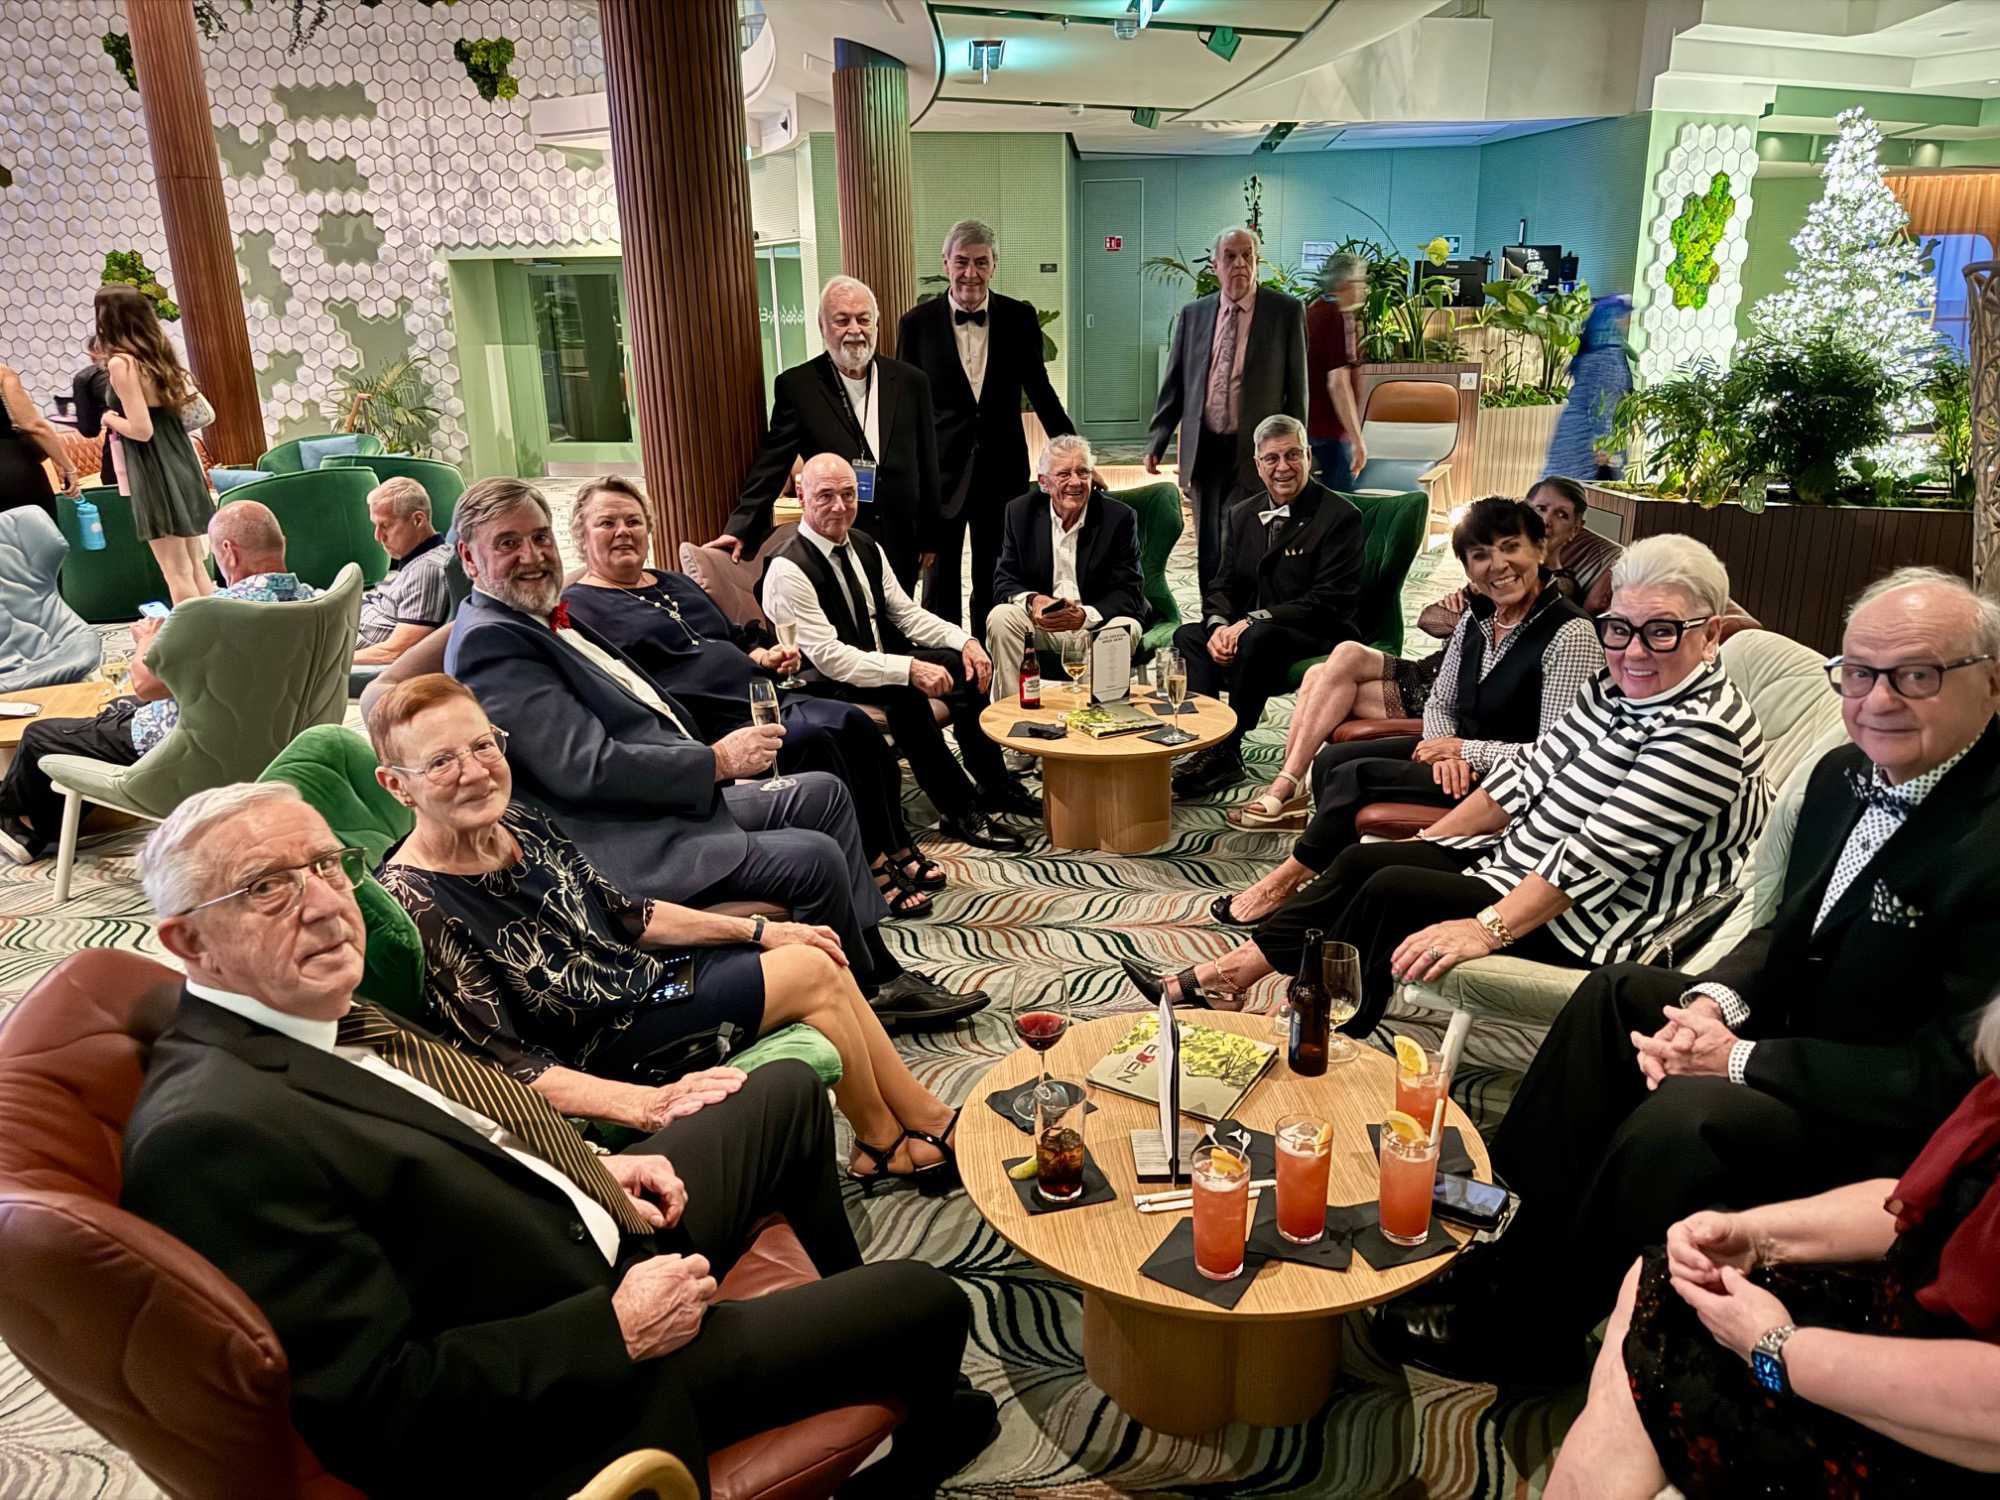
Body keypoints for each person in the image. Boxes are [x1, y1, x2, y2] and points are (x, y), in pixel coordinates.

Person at [119, 782, 997, 1500]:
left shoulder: (313, 1011)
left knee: (786, 1093)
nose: (324, 905)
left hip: (575, 1221)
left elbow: (458, 1129)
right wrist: (615, 1330)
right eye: (266, 887)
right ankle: (927, 1427)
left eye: (326, 864)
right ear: (187, 939)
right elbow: (378, 1404)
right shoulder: (212, 1136)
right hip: (580, 1358)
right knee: (924, 1297)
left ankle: (839, 1321)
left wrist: (595, 1163)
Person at [1379, 567, 2000, 1384]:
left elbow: (1951, 1078)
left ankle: (1530, 1327)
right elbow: (1786, 931)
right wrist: (1710, 1004)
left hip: (1888, 1116)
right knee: (1621, 994)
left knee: (1686, 1116)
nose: (1878, 699)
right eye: (1857, 673)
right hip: (1799, 1033)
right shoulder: (1842, 775)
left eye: (1916, 675)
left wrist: (1735, 1059)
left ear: (1991, 681)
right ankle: (1501, 1234)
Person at [1123, 536, 1767, 1034]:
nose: (1633, 651)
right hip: (1515, 864)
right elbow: (1524, 777)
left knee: (1393, 890)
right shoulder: (1615, 688)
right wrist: (1428, 842)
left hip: (1591, 921)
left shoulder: (1702, 733)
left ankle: (1318, 1024)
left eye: (1662, 631)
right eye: (1620, 629)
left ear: (1710, 633)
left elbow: (1594, 855)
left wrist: (1487, 930)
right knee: (1366, 862)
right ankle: (1231, 977)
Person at [371, 674, 967, 1188]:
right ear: (396, 785)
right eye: (441, 762)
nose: (476, 772)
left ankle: (898, 1134)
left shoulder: (519, 821)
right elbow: (503, 1067)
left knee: (815, 954)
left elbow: (627, 915)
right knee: (811, 972)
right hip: (597, 1047)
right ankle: (902, 1135)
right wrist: (644, 1105)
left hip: (643, 988)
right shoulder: (415, 901)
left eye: (483, 745)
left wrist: (762, 932)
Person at [442, 477, 986, 1030]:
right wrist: (716, 761)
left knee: (825, 793)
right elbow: (588, 768)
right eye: (508, 543)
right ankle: (862, 994)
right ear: (468, 557)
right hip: (626, 836)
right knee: (816, 855)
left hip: (662, 796)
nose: (533, 556)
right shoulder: (494, 641)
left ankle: (874, 971)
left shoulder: (541, 614)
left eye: (539, 538)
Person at [1548, 1004, 2000, 1498]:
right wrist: (1752, 1235)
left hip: (1943, 1432)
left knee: (1678, 1138)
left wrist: (1775, 1348)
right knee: (1661, 1278)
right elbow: (1922, 1203)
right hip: (1905, 1314)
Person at [561, 475, 946, 919]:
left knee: (853, 724)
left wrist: (766, 656)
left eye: (633, 521)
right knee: (814, 739)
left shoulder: (674, 583)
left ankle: (897, 845)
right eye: (607, 523)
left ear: (649, 527)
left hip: (761, 694)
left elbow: (733, 637)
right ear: (582, 536)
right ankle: (870, 863)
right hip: (713, 721)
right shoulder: (579, 608)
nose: (623, 532)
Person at [1214, 498, 1599, 925]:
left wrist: (1464, 751)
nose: (1498, 565)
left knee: (1357, 776)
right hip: (1456, 758)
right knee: (1331, 760)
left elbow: (1557, 756)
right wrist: (1442, 746)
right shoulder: (1479, 617)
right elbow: (1440, 701)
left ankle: (1281, 886)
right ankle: (1331, 880)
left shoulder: (1569, 635)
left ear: (1539, 549)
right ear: (1467, 568)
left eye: (1511, 547)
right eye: (1480, 555)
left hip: (1508, 785)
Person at [0, 500, 316, 866]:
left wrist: (146, 641)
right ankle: (41, 823)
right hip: (274, 736)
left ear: (229, 551)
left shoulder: (216, 614)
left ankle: (16, 821)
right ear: (282, 543)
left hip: (186, 747)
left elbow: (147, 685)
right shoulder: (309, 601)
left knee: (40, 736)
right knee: (110, 713)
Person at [762, 453, 1037, 853]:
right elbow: (831, 658)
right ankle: (959, 809)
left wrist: (965, 641)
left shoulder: (864, 545)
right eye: (825, 496)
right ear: (802, 496)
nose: (840, 506)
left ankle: (994, 784)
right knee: (905, 692)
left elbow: (906, 614)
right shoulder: (788, 569)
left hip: (870, 661)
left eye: (848, 494)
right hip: (821, 683)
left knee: (961, 665)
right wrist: (908, 668)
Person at [1168, 414, 1365, 800]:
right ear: (1258, 465)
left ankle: (1227, 748)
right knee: (1188, 636)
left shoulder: (1340, 517)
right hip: (1257, 632)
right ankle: (1210, 742)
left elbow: (1328, 599)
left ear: (1308, 456)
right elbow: (1222, 584)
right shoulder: (1242, 512)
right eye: (1272, 458)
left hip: (1318, 630)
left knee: (1256, 637)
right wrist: (1218, 626)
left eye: (1292, 455)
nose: (1283, 467)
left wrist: (1250, 621)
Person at [896, 218, 1078, 630]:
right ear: (945, 263)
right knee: (938, 583)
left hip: (1001, 469)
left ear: (995, 264)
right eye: (961, 262)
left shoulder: (1019, 317)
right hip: (941, 474)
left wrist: (1072, 453)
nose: (970, 273)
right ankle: (947, 659)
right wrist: (906, 475)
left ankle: (992, 659)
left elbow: (1041, 391)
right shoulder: (916, 324)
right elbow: (904, 409)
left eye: (981, 262)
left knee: (996, 577)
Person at [712, 276, 940, 591]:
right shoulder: (798, 387)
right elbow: (772, 463)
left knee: (898, 614)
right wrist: (740, 526)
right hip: (836, 531)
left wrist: (930, 534)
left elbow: (928, 461)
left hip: (902, 534)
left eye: (864, 319)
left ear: (876, 324)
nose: (855, 330)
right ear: (822, 326)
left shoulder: (911, 382)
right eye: (842, 321)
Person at [1145, 226, 1307, 595]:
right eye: (1230, 257)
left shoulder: (1284, 312)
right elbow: (1175, 383)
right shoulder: (1194, 314)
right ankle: (1212, 614)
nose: (1240, 264)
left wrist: (1294, 452)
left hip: (1256, 448)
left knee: (1248, 536)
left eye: (1247, 256)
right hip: (1205, 445)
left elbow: (1298, 389)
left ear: (1257, 262)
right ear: (1215, 265)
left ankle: (1247, 615)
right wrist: (1158, 439)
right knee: (1208, 544)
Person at [984, 434, 1145, 704]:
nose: (1075, 482)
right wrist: (1034, 600)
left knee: (1121, 629)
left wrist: (1083, 616)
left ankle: (1099, 717)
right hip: (1045, 624)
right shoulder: (1020, 512)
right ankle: (1014, 715)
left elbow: (1130, 592)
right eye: (1064, 474)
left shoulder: (1119, 518)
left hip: (1097, 622)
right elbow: (1004, 580)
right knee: (1002, 617)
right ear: (1044, 482)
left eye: (1083, 472)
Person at [95, 283, 216, 604]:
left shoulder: (122, 363)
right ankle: (216, 629)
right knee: (194, 566)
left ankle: (195, 634)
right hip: (181, 459)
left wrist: (109, 418)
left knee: (175, 571)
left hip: (154, 468)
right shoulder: (160, 354)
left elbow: (141, 429)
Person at [353, 477, 453, 666]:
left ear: (418, 520)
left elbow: (397, 652)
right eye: (375, 526)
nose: (377, 537)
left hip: (343, 647)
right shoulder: (421, 560)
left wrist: (325, 664)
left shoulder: (427, 570)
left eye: (385, 526)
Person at [1543, 294, 1633, 484]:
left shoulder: (1593, 352)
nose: (1627, 322)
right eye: (1623, 316)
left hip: (1571, 433)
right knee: (1581, 492)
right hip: (1586, 441)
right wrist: (1605, 444)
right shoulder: (1608, 357)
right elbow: (1602, 405)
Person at [1304, 252, 1368, 491]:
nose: (1363, 289)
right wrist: (1357, 440)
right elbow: (1338, 383)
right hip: (1330, 432)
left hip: (1309, 427)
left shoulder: (1312, 310)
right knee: (1343, 505)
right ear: (1345, 284)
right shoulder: (1339, 317)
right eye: (1360, 282)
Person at [1, 359, 79, 518]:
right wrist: (69, 467)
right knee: (37, 531)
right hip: (10, 473)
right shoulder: (2, 372)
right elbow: (33, 426)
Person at [70, 337, 114, 480]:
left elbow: (89, 429)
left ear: (93, 353)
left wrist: (105, 416)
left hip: (122, 450)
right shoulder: (153, 367)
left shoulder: (85, 378)